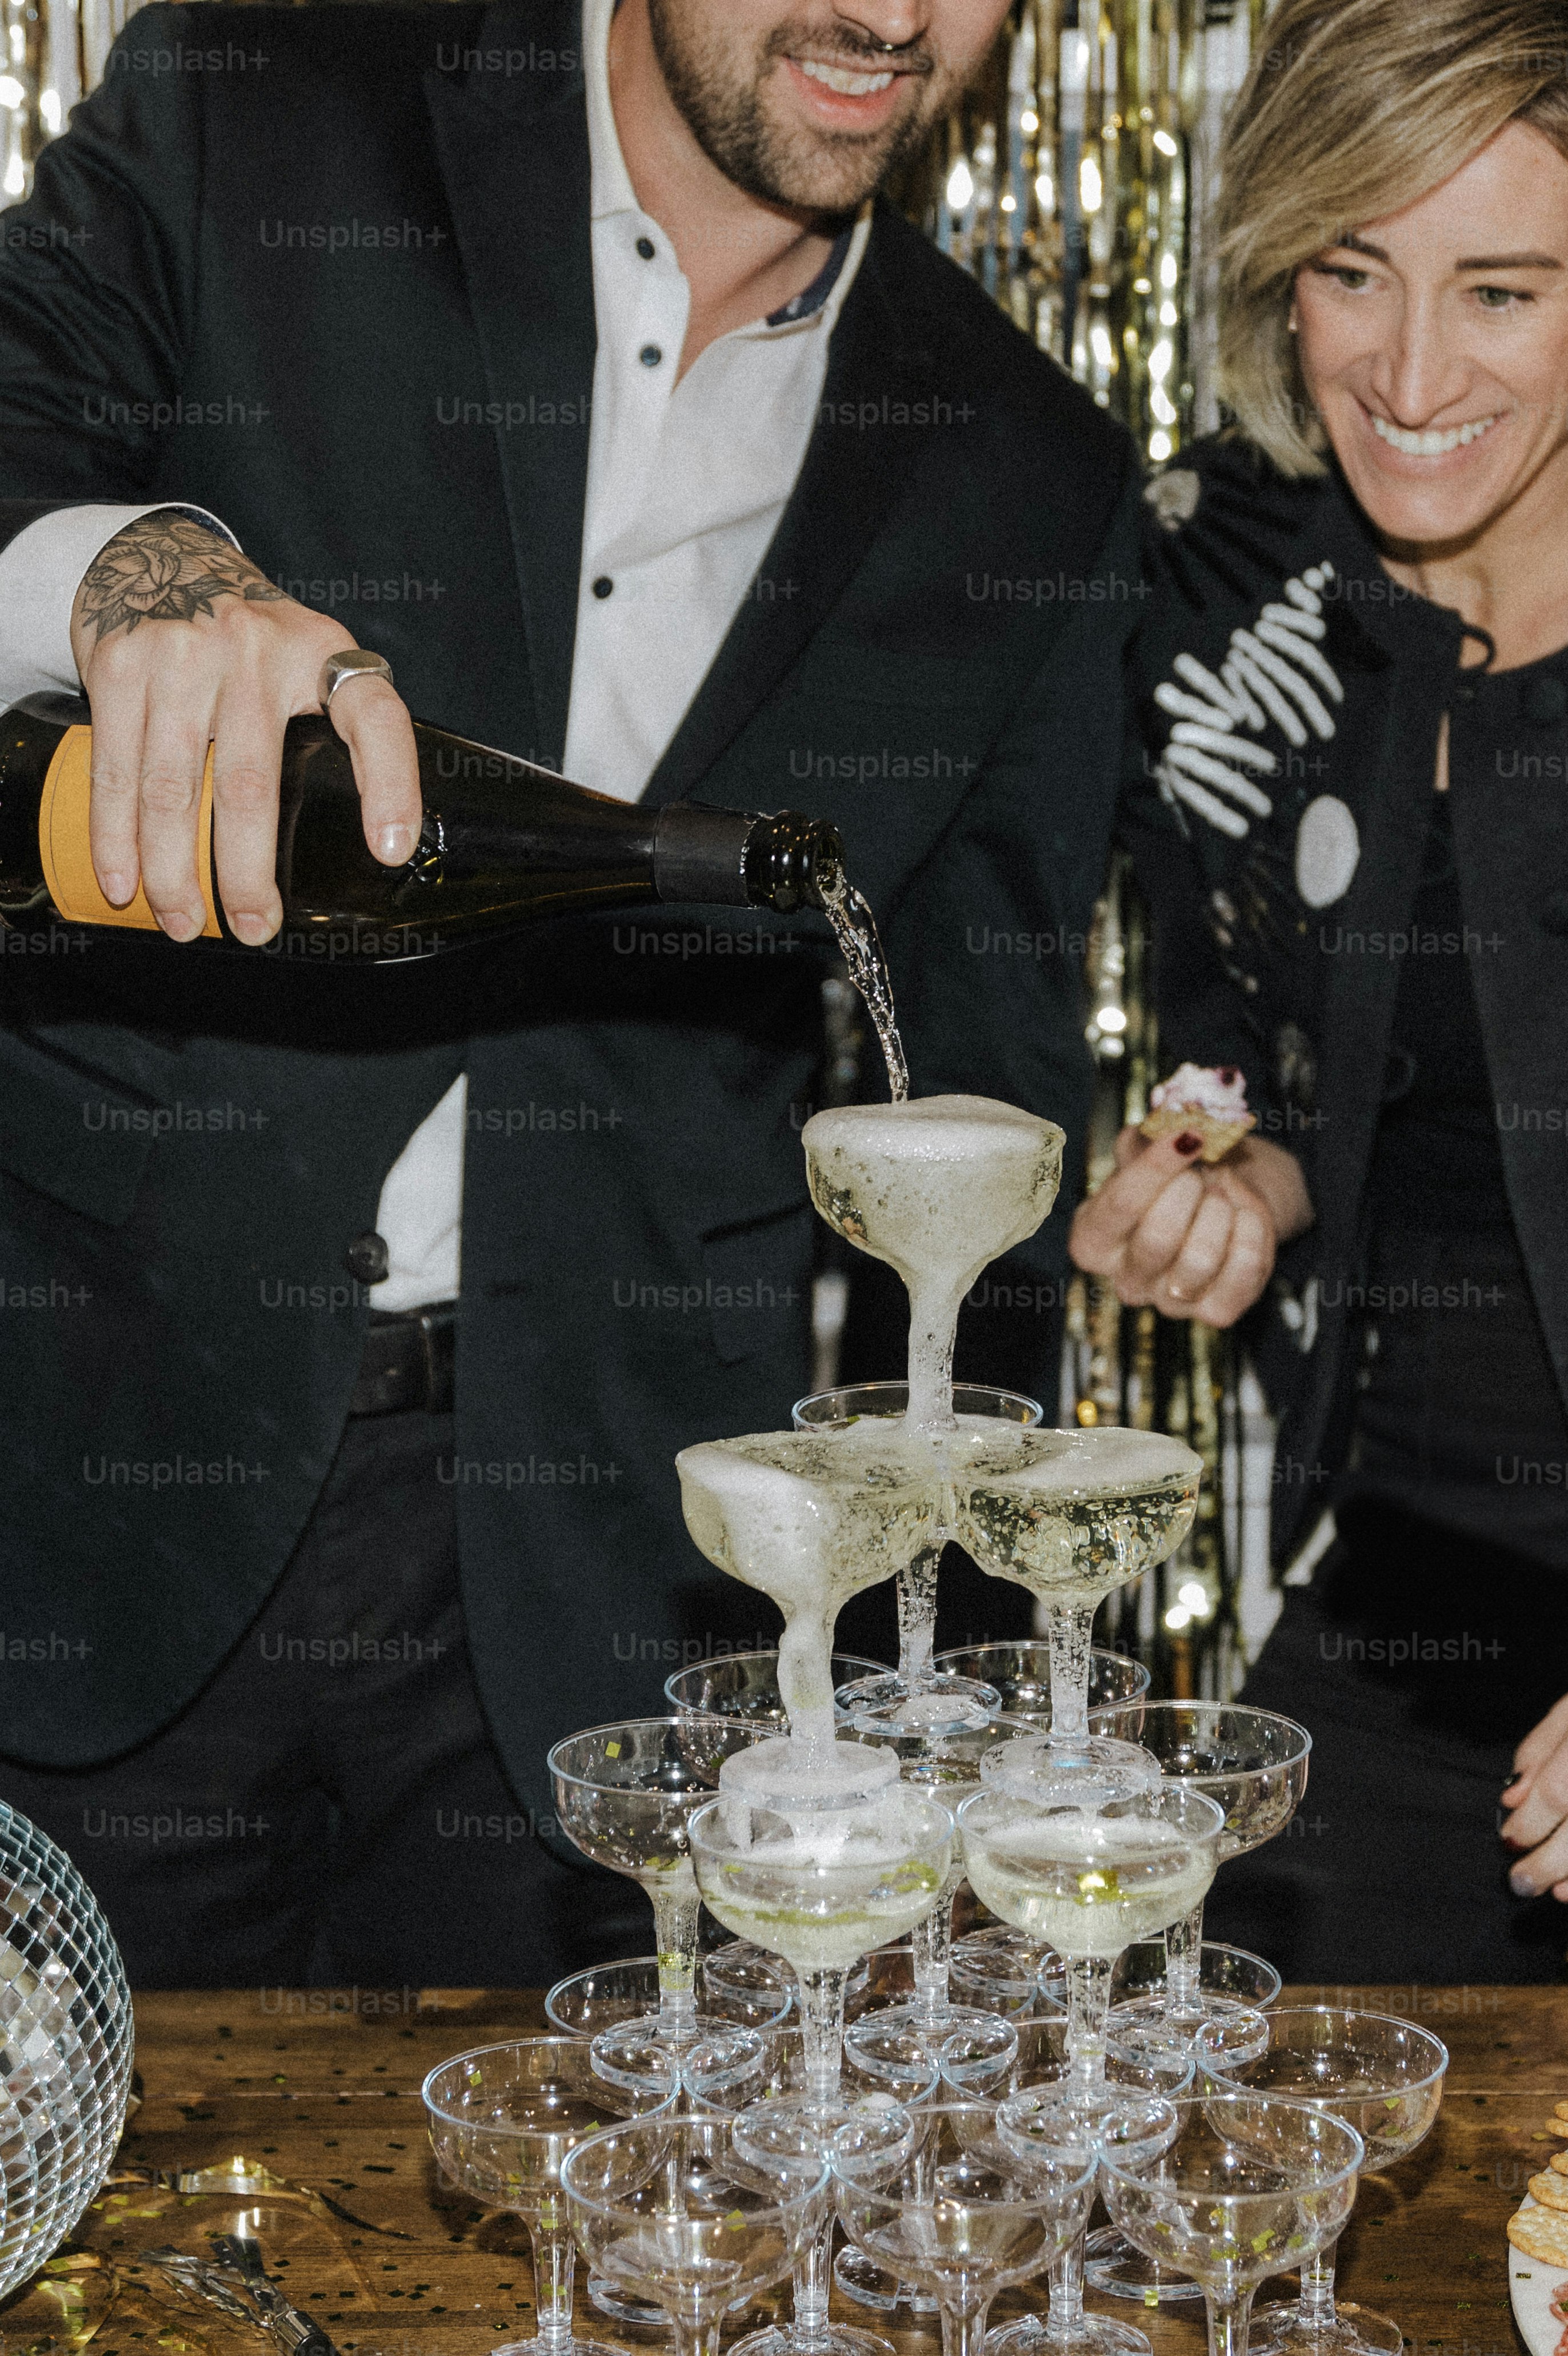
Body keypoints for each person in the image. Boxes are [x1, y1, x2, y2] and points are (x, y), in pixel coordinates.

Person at [0, 0, 1141, 1985]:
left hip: (616, 1604)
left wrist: (952, 1704)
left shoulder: (1028, 470)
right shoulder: (270, 101)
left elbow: (979, 1118)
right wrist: (132, 576)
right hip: (95, 1494)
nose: (890, 14)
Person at [1073, 0, 1568, 1981]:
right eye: (1349, 270)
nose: (1408, 375)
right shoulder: (1218, 575)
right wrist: (1226, 1182)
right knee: (1235, 2127)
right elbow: (1246, 1053)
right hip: (1403, 1610)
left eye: (1498, 289)